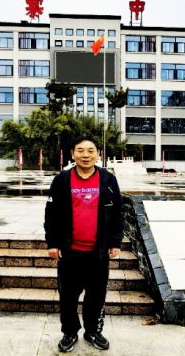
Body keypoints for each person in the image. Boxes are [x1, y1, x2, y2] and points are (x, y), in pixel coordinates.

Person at [44, 136, 123, 352]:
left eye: (90, 150)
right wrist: (52, 243)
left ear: (98, 154)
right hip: (70, 252)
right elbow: (51, 214)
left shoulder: (108, 179)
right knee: (68, 297)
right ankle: (69, 332)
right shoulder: (62, 179)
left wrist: (115, 241)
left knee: (96, 296)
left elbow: (118, 213)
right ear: (72, 154)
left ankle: (93, 331)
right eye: (80, 150)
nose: (85, 155)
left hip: (98, 253)